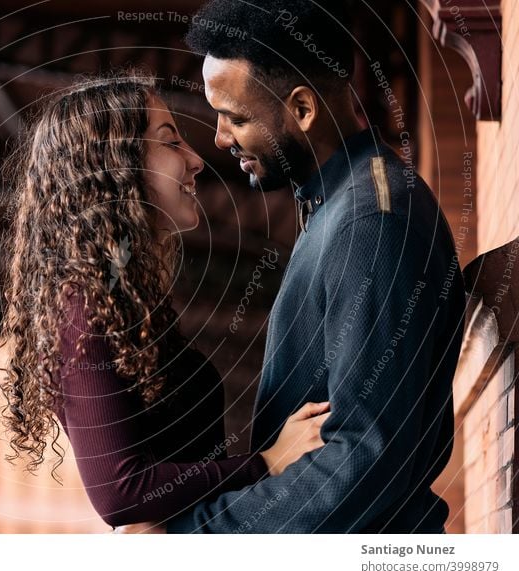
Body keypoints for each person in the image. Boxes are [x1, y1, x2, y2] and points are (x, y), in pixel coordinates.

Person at [118, 0, 466, 534]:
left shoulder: (368, 223)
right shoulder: (338, 209)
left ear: (302, 109)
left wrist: (192, 539)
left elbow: (364, 458)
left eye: (235, 117)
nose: (219, 138)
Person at [0, 73, 330, 528]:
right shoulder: (81, 310)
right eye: (170, 142)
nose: (196, 160)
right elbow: (120, 492)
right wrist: (268, 461)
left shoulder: (127, 300)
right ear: (115, 165)